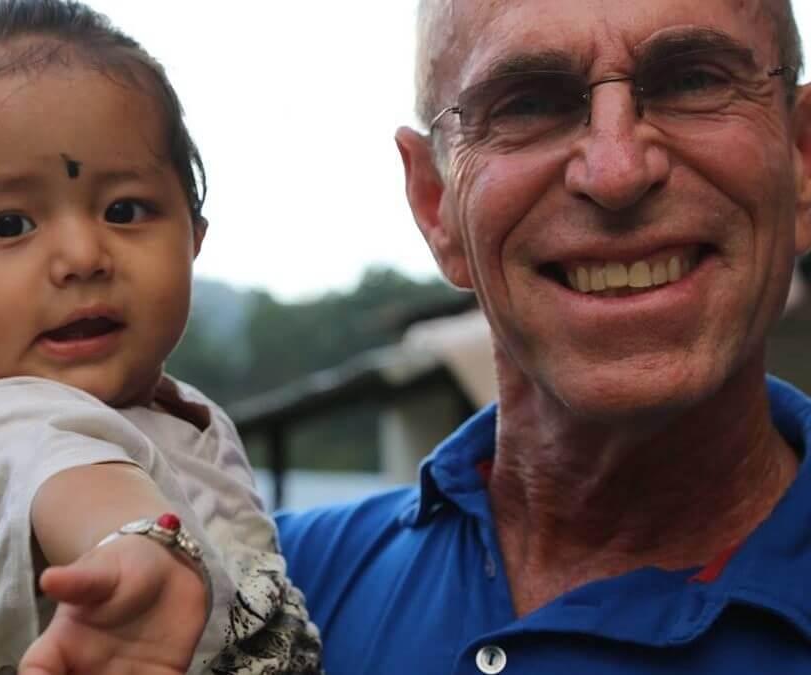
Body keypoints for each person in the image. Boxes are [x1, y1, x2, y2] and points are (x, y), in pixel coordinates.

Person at [276, 0, 811, 673]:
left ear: (802, 159)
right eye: (527, 104)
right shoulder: (267, 596)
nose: (616, 172)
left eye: (692, 82)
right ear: (435, 202)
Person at [0, 1, 322, 674]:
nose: (82, 255)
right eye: (9, 224)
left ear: (193, 239)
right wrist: (133, 548)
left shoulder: (182, 415)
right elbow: (69, 478)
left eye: (124, 209)